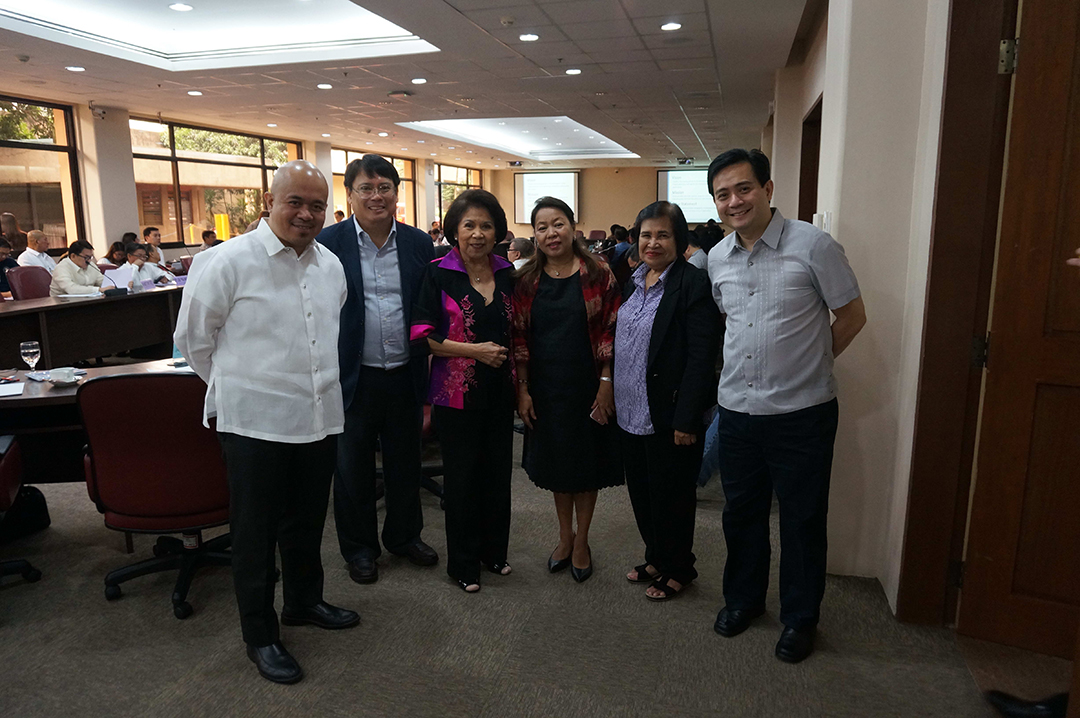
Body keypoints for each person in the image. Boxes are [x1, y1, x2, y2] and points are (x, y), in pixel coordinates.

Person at [174, 160, 359, 686]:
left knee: (306, 522)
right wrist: (243, 385)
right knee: (254, 534)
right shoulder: (226, 261)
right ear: (268, 202)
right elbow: (193, 341)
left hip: (318, 416)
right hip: (254, 423)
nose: (306, 214)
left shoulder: (331, 266)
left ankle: (303, 602)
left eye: (317, 205)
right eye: (294, 202)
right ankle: (260, 634)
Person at [707, 148, 866, 664]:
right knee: (741, 514)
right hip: (736, 411)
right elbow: (730, 321)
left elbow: (852, 315)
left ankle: (800, 618)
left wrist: (812, 365)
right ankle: (744, 600)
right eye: (723, 194)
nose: (735, 201)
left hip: (802, 414)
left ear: (768, 189)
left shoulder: (813, 245)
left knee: (801, 520)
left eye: (744, 188)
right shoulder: (717, 258)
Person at [315, 154, 438, 585]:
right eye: (366, 188)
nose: (376, 196)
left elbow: (427, 306)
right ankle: (360, 549)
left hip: (405, 372)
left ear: (396, 193)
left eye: (384, 187)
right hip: (354, 376)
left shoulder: (418, 243)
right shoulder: (327, 243)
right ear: (349, 194)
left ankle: (405, 537)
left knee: (406, 463)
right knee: (352, 470)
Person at [614, 201, 722, 601]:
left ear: (678, 239)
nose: (653, 243)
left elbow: (701, 357)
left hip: (670, 412)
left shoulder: (693, 284)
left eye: (663, 235)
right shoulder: (634, 280)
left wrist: (687, 418)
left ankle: (680, 568)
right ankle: (657, 557)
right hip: (630, 408)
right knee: (643, 493)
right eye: (646, 235)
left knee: (672, 496)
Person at [410, 189, 516, 593]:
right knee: (462, 479)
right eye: (469, 225)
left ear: (497, 232)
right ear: (454, 229)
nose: (477, 233)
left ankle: (494, 552)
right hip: (455, 395)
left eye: (486, 226)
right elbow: (421, 336)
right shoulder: (438, 272)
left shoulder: (507, 271)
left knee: (497, 475)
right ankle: (463, 564)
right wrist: (475, 351)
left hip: (500, 392)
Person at [513, 196, 622, 583]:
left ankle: (582, 541)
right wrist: (523, 389)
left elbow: (612, 330)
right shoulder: (526, 279)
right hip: (546, 387)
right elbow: (519, 338)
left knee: (585, 467)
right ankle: (564, 536)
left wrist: (606, 383)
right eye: (541, 227)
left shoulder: (598, 272)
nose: (551, 233)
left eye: (557, 224)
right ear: (535, 235)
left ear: (573, 227)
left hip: (588, 384)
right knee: (558, 467)